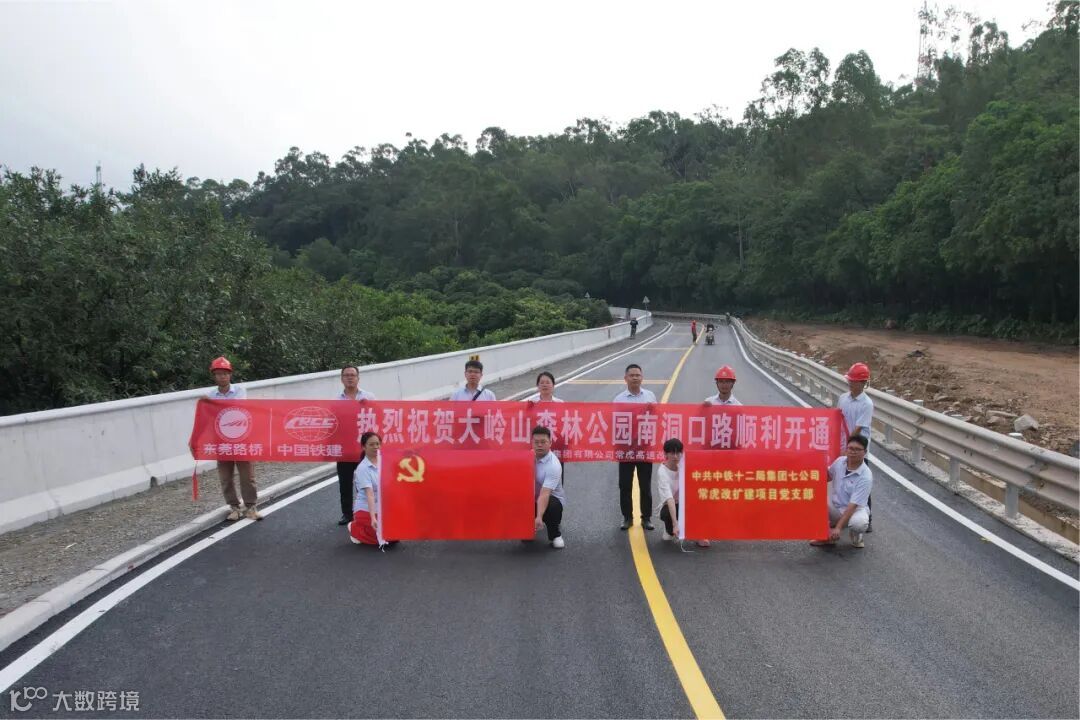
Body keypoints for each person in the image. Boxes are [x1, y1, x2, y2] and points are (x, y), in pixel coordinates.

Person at [207, 356, 260, 522]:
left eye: (225, 373)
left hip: (241, 439)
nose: (222, 376)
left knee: (247, 476)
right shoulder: (210, 395)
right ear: (214, 376)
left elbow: (237, 408)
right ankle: (234, 507)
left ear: (230, 375)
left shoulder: (239, 391)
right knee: (225, 477)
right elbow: (208, 417)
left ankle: (250, 507)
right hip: (221, 440)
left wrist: (219, 410)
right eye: (218, 374)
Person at [613, 364, 657, 530]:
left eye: (638, 375)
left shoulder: (650, 396)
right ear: (625, 378)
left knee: (645, 485)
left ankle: (646, 518)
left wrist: (653, 410)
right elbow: (613, 422)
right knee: (625, 485)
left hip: (645, 448)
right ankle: (627, 517)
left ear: (642, 377)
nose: (635, 378)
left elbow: (657, 418)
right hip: (625, 449)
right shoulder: (619, 399)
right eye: (631, 375)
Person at [811, 434, 872, 549]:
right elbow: (828, 477)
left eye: (857, 449)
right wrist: (819, 464)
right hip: (836, 506)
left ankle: (856, 535)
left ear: (864, 452)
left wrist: (838, 528)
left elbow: (852, 506)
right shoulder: (839, 461)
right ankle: (826, 536)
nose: (853, 452)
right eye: (850, 448)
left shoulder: (865, 476)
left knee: (858, 524)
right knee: (811, 501)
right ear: (846, 449)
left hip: (854, 511)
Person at [334, 365, 376, 525]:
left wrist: (368, 406)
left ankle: (364, 513)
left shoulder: (369, 397)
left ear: (358, 378)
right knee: (345, 483)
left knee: (365, 483)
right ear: (342, 379)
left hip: (364, 450)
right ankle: (347, 514)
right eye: (346, 375)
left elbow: (379, 416)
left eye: (352, 375)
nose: (349, 378)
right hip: (344, 449)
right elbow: (333, 423)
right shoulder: (337, 400)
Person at [838, 362, 874, 531]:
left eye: (853, 381)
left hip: (857, 449)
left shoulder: (866, 404)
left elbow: (857, 430)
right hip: (842, 447)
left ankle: (867, 519)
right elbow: (837, 419)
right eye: (849, 380)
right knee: (841, 481)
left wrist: (848, 448)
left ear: (863, 383)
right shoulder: (843, 398)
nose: (850, 383)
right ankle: (841, 516)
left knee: (862, 483)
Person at [348, 431, 395, 550]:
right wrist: (373, 517)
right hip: (366, 507)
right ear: (364, 447)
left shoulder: (385, 461)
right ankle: (355, 528)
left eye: (377, 444)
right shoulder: (362, 468)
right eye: (371, 444)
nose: (375, 447)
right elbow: (370, 494)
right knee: (384, 539)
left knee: (395, 535)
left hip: (383, 505)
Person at [531, 426, 566, 549]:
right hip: (532, 498)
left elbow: (545, 494)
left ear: (550, 443)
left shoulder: (554, 465)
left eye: (543, 442)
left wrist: (539, 516)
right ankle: (527, 528)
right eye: (536, 442)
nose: (539, 445)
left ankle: (555, 535)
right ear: (532, 443)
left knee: (552, 505)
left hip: (550, 500)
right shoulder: (527, 457)